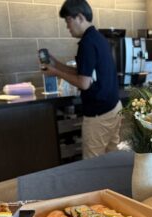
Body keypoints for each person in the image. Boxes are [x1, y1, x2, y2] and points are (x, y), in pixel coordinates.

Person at [43, 0, 121, 159]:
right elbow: (84, 73)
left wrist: (56, 73)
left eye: (68, 20)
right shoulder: (98, 37)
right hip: (114, 108)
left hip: (98, 114)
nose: (67, 26)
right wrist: (56, 64)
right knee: (112, 159)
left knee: (92, 164)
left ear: (80, 17)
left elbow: (84, 83)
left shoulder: (87, 43)